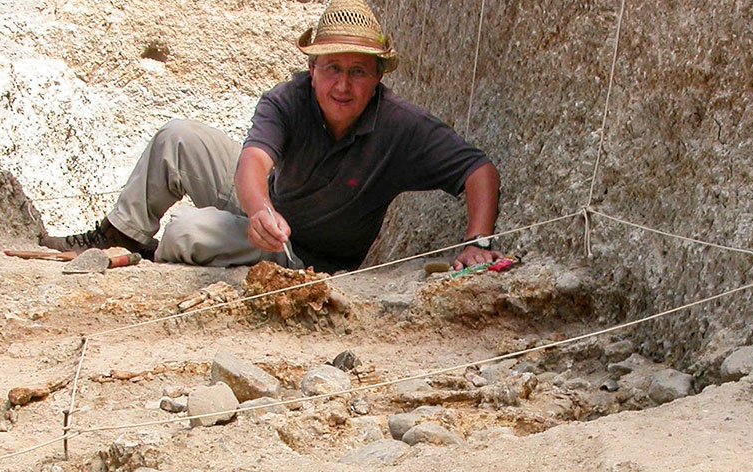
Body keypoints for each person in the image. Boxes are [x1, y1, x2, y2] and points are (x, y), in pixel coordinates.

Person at [41, 0, 502, 275]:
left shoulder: (402, 125)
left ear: (378, 76)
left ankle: (160, 258)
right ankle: (120, 238)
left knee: (185, 231)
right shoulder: (287, 99)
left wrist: (477, 242)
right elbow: (254, 162)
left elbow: (477, 170)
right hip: (268, 207)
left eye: (358, 72)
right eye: (332, 69)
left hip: (302, 252)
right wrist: (260, 210)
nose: (343, 86)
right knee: (177, 137)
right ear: (312, 69)